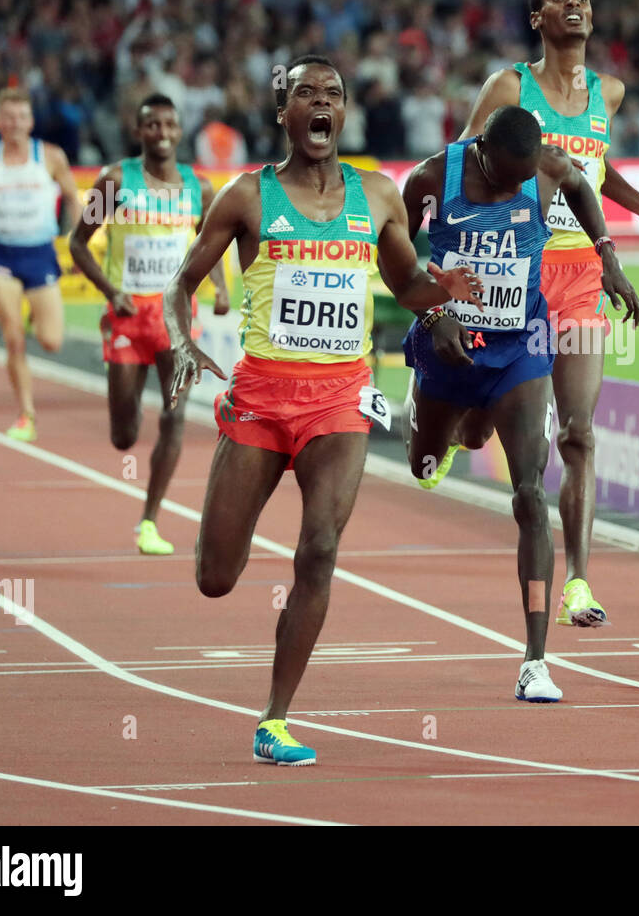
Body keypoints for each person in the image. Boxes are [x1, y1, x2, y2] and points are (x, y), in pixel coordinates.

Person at [163, 56, 483, 766]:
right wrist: (183, 343)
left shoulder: (376, 196)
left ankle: (274, 719)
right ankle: (229, 552)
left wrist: (441, 290)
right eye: (304, 92)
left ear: (344, 116)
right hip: (261, 398)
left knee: (321, 549)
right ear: (283, 113)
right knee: (215, 576)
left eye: (332, 95)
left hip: (339, 400)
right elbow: (181, 283)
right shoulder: (246, 197)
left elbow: (405, 281)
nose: (320, 103)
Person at [446, 0, 639, 629]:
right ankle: (455, 412)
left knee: (577, 433)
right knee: (475, 429)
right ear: (534, 17)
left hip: (579, 280)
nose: (573, 4)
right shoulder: (509, 89)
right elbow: (465, 164)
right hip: (511, 280)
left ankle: (579, 580)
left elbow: (591, 169)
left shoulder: (610, 92)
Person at [402, 106, 639, 702]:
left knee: (529, 492)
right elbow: (396, 256)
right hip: (451, 347)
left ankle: (535, 660)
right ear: (481, 150)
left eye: (524, 178)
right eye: (506, 178)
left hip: (520, 348)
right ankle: (434, 420)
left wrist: (606, 252)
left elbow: (586, 189)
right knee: (426, 464)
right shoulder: (432, 178)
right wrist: (432, 311)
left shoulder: (549, 168)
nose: (516, 188)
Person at [69, 93, 231, 555]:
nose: (162, 133)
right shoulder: (116, 181)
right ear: (139, 132)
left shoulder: (197, 188)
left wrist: (219, 287)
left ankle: (148, 521)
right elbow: (78, 243)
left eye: (169, 125)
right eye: (152, 125)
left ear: (180, 131)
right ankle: (126, 421)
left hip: (175, 318)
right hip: (126, 315)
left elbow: (208, 243)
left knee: (175, 413)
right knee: (124, 434)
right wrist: (111, 291)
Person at [0, 87, 81, 440]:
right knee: (13, 340)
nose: (14, 124)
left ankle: (33, 313)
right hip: (1, 255)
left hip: (40, 253)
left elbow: (74, 199)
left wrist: (77, 239)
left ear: (30, 121)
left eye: (21, 117)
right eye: (8, 117)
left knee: (51, 341)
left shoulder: (51, 157)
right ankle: (26, 414)